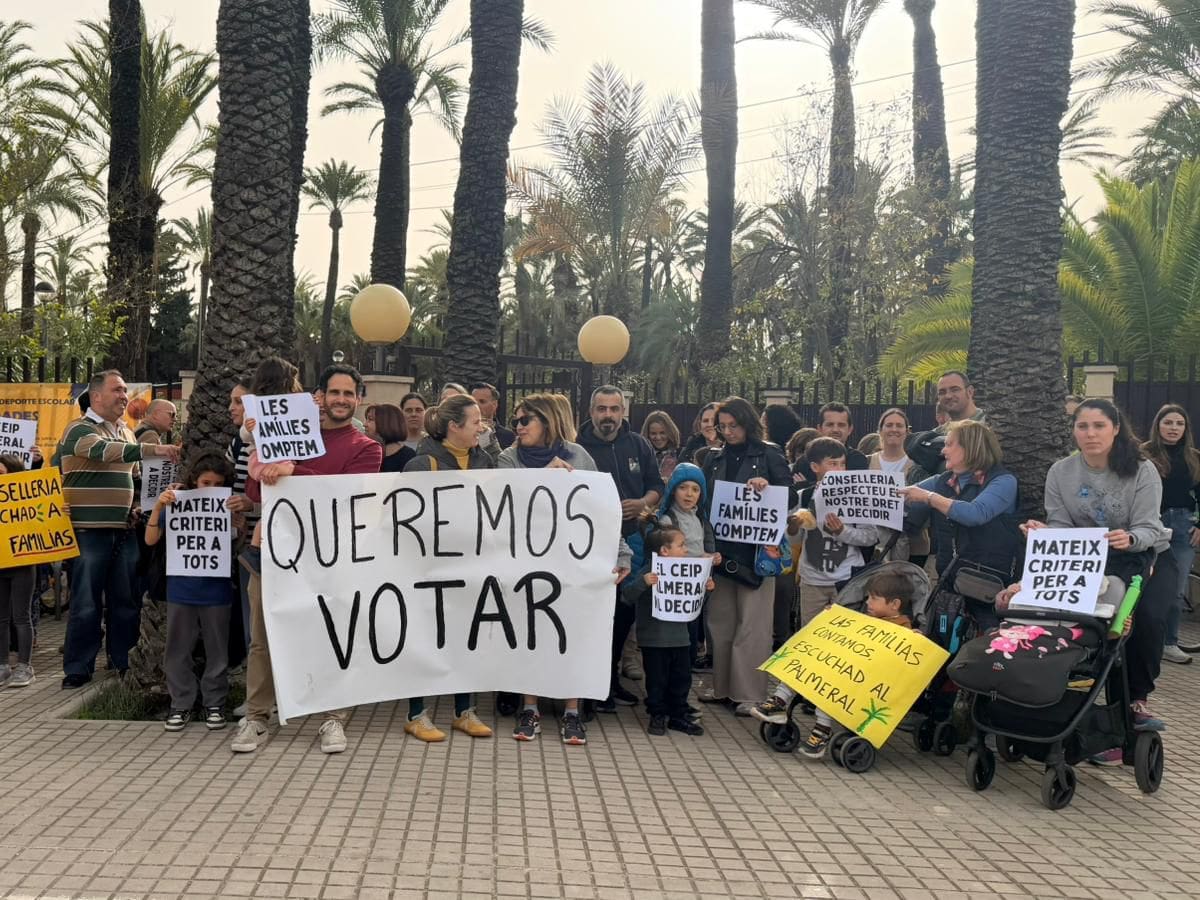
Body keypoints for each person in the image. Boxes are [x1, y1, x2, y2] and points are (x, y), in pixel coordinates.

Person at [1002, 399, 1174, 752]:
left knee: (1147, 620)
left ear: (1115, 429)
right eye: (1083, 426)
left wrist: (1130, 538)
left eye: (1099, 426)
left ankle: (1136, 699)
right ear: (1074, 431)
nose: (1091, 433)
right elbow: (1063, 526)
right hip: (1087, 558)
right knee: (1086, 626)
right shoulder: (1061, 471)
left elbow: (1148, 526)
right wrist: (1044, 531)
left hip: (1141, 554)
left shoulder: (1142, 470)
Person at [232, 364, 383, 755]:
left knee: (332, 636)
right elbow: (253, 489)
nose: (342, 400)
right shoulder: (291, 433)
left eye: (349, 394)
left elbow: (350, 493)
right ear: (320, 395)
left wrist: (294, 470)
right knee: (263, 639)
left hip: (332, 556)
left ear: (359, 399)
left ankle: (333, 716)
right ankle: (257, 716)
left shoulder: (367, 448)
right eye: (335, 392)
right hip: (275, 549)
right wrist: (259, 445)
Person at [497, 393, 631, 745]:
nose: (518, 427)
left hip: (573, 564)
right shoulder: (508, 458)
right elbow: (502, 504)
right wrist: (543, 477)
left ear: (549, 421)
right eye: (516, 421)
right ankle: (530, 708)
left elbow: (601, 510)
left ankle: (573, 711)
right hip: (526, 563)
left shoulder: (579, 456)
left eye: (526, 420)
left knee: (573, 633)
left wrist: (621, 553)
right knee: (530, 634)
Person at [60, 370, 181, 688]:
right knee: (85, 601)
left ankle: (122, 661)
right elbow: (103, 452)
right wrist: (155, 450)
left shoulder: (127, 432)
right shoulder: (78, 430)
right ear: (96, 395)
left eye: (126, 390)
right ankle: (78, 667)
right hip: (89, 530)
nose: (125, 395)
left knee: (125, 599)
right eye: (118, 389)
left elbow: (136, 477)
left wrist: (137, 506)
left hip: (124, 528)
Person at [396, 396, 497, 741]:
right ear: (454, 426)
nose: (481, 427)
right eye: (475, 422)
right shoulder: (421, 464)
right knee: (425, 636)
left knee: (465, 636)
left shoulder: (485, 462)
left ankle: (463, 711)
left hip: (471, 565)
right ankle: (416, 713)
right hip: (428, 567)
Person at [697, 397, 796, 714]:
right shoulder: (713, 459)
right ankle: (723, 687)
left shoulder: (769, 453)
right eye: (722, 426)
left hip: (757, 554)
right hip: (721, 552)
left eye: (733, 425)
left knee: (753, 625)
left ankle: (749, 694)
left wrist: (766, 485)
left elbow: (790, 494)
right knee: (721, 623)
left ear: (747, 423)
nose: (728, 432)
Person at [753, 571, 914, 758]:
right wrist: (833, 618)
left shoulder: (904, 629)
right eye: (868, 597)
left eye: (874, 598)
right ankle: (779, 700)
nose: (868, 602)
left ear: (894, 605)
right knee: (805, 662)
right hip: (846, 666)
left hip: (863, 680)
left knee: (832, 683)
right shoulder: (865, 620)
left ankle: (823, 729)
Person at [577, 386, 665, 709]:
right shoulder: (577, 446)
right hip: (593, 546)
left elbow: (657, 485)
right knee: (595, 618)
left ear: (623, 413)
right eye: (602, 409)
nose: (608, 416)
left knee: (623, 617)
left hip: (635, 541)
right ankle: (590, 688)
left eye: (615, 409)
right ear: (591, 412)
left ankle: (611, 684)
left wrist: (642, 503)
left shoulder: (639, 445)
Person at [145, 451, 236, 732]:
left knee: (218, 650)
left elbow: (236, 540)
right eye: (205, 481)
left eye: (216, 483)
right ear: (195, 480)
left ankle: (214, 703)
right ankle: (181, 703)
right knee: (177, 649)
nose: (209, 488)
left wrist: (237, 517)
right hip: (181, 589)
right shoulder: (175, 502)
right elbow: (150, 540)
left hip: (217, 590)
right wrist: (159, 507)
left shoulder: (229, 506)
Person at [900, 420, 1021, 628]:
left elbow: (975, 514)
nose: (943, 451)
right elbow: (904, 495)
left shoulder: (1003, 481)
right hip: (949, 585)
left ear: (971, 447)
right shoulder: (943, 480)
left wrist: (930, 498)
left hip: (988, 591)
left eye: (949, 444)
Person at [623, 525, 711, 736]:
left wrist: (705, 590)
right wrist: (644, 583)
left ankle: (678, 715)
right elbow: (627, 596)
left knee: (681, 679)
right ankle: (657, 714)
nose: (686, 550)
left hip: (681, 639)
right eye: (681, 546)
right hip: (654, 640)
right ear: (664, 551)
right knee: (656, 679)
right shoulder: (648, 570)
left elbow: (693, 604)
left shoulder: (687, 571)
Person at [649, 462, 720, 701]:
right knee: (672, 651)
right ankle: (665, 699)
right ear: (673, 491)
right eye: (683, 488)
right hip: (673, 596)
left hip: (692, 596)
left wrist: (711, 560)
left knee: (689, 649)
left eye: (695, 489)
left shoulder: (701, 520)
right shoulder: (667, 520)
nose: (689, 494)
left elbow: (703, 548)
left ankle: (680, 699)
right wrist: (699, 559)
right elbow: (666, 557)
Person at [793, 438, 878, 628]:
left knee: (845, 637)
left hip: (847, 580)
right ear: (815, 467)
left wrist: (842, 531)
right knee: (810, 636)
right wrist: (794, 527)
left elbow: (871, 537)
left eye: (842, 464)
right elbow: (794, 540)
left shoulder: (858, 498)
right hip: (812, 582)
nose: (840, 470)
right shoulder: (804, 497)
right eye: (833, 464)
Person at [1141, 404, 1200, 665]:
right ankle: (1139, 640)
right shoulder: (1144, 454)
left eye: (1179, 423)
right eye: (1168, 422)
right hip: (1151, 522)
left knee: (1175, 589)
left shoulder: (1194, 458)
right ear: (1158, 425)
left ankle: (1170, 642)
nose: (1173, 428)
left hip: (1183, 525)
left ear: (1185, 428)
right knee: (1141, 582)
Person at [225, 377, 258, 669]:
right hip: (243, 544)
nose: (231, 408)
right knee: (249, 618)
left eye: (239, 401)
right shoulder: (237, 442)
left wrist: (252, 505)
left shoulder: (271, 441)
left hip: (267, 544)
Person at [870, 408, 928, 567]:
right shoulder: (866, 462)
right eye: (889, 425)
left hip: (914, 545)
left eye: (899, 425)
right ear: (880, 431)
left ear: (907, 431)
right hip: (874, 543)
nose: (894, 429)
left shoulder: (919, 465)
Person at [0, 454, 37, 688]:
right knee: (0, 618)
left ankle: (25, 666)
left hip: (23, 564)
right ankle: (3, 665)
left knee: (21, 617)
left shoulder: (29, 500)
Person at [793, 402, 868, 482]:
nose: (835, 430)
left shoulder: (858, 460)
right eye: (830, 425)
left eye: (841, 425)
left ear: (850, 429)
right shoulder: (804, 462)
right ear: (819, 428)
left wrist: (808, 487)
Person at [470, 382, 515, 450]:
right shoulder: (463, 433)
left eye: (482, 401)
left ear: (494, 405)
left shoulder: (508, 437)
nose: (476, 406)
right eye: (473, 402)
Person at [372, 402, 416, 473]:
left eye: (370, 419)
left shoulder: (408, 457)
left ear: (385, 423)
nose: (365, 424)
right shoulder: (366, 454)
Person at [641, 410, 681, 481]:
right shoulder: (641, 455)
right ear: (647, 434)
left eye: (662, 433)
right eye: (653, 433)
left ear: (670, 432)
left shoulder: (680, 455)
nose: (658, 437)